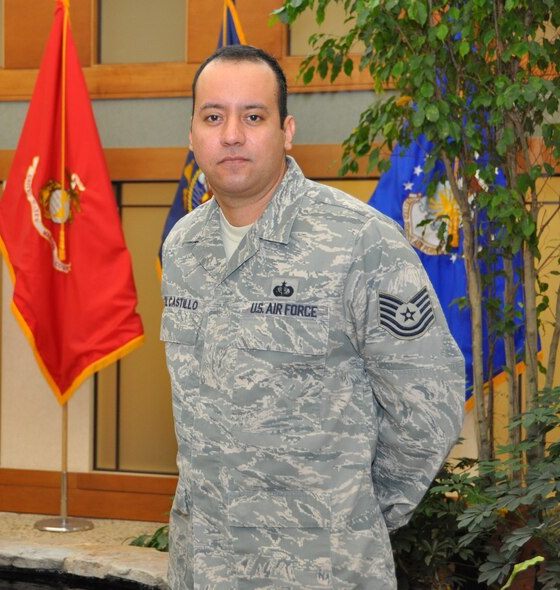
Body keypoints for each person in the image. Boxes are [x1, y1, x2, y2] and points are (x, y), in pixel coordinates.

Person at [160, 45, 465, 589]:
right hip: (202, 565)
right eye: (213, 117)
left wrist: (349, 512)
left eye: (254, 117)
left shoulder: (359, 240)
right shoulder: (183, 247)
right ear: (191, 134)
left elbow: (428, 405)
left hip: (321, 569)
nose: (232, 135)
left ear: (287, 131)